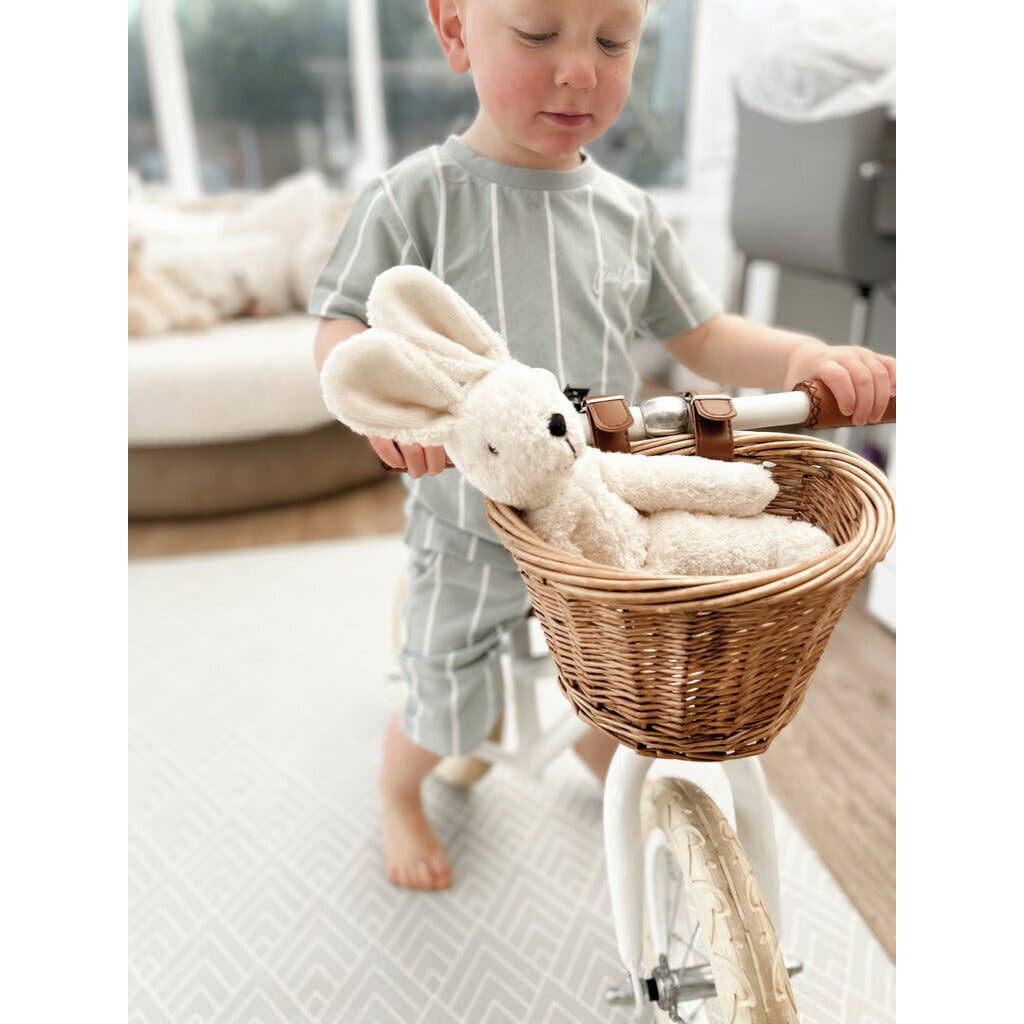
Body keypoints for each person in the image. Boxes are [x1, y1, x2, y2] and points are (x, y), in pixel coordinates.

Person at [309, 0, 896, 892]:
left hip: (599, 519)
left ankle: (599, 747)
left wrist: (800, 356)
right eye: (540, 35)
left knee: (637, 674)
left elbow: (704, 336)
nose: (580, 70)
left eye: (614, 42)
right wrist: (385, 419)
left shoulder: (627, 214)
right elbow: (345, 330)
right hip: (469, 525)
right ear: (456, 27)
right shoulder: (413, 199)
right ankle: (399, 790)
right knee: (445, 711)